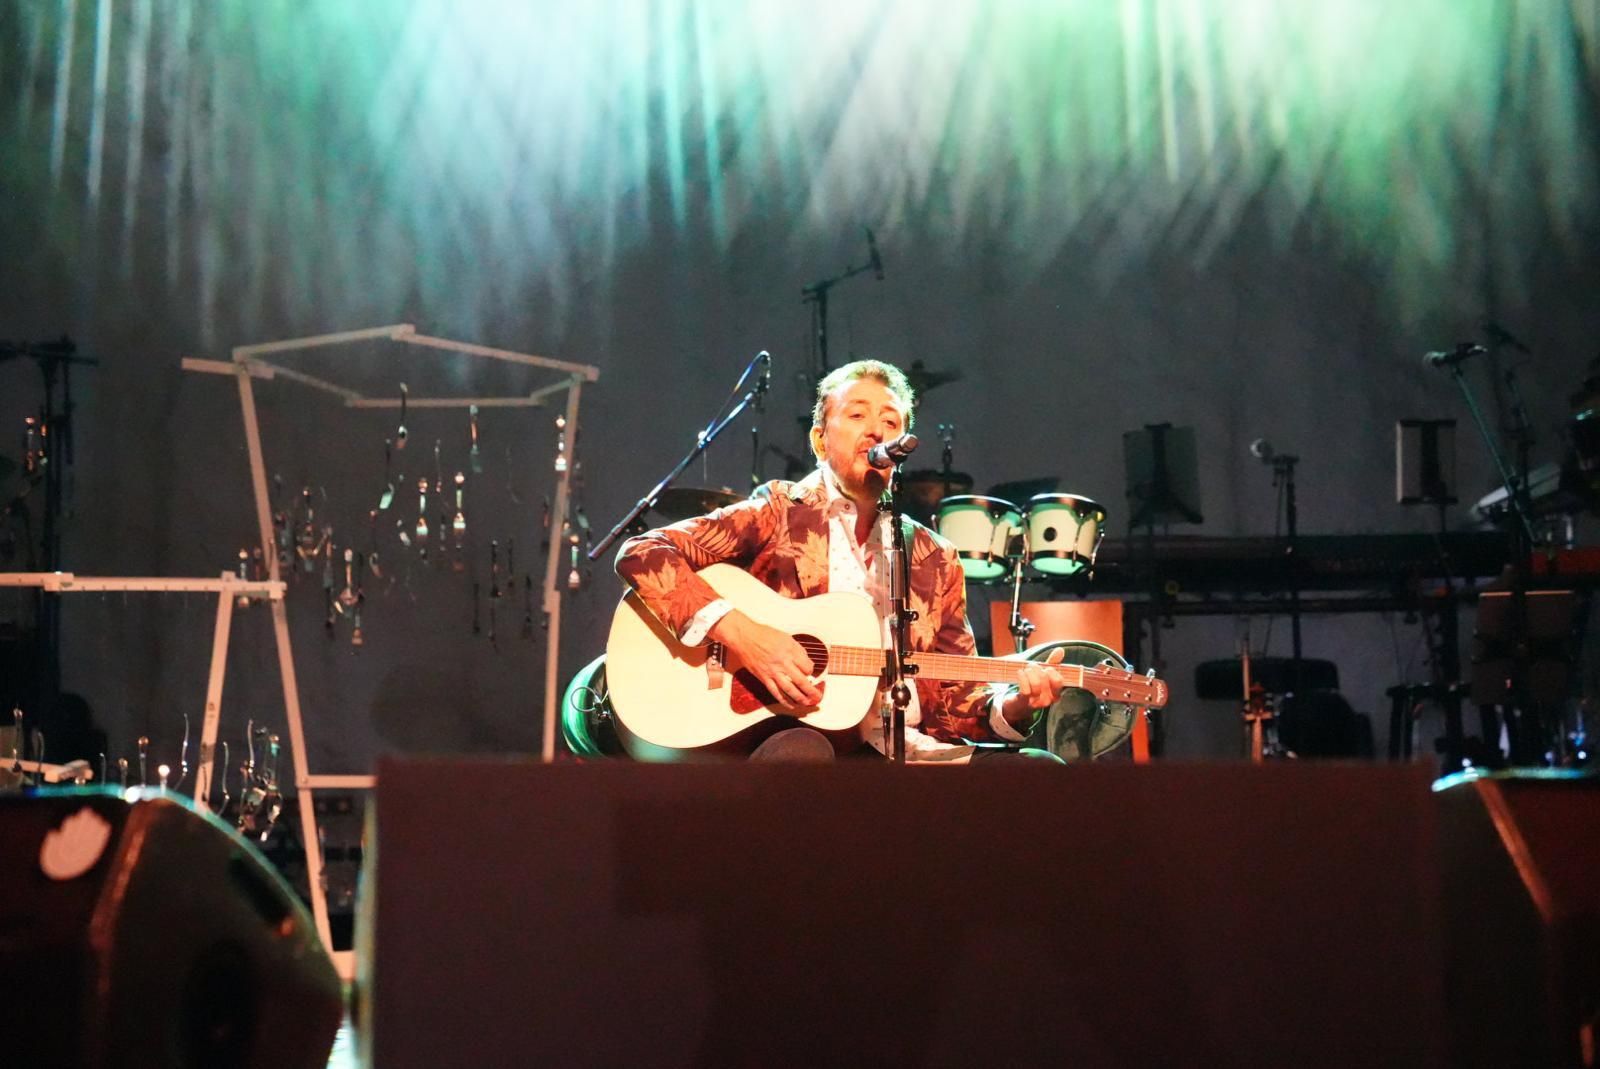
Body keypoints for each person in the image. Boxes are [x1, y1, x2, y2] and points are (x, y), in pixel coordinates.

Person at [615, 358, 1069, 761]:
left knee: (1039, 771)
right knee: (802, 755)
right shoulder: (779, 511)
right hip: (806, 739)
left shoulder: (936, 558)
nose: (877, 430)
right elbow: (643, 553)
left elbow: (956, 705)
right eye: (857, 415)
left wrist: (1018, 704)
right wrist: (746, 636)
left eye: (892, 423)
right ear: (819, 440)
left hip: (908, 748)